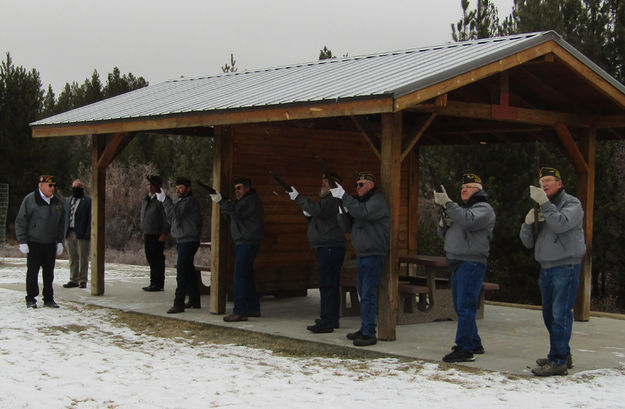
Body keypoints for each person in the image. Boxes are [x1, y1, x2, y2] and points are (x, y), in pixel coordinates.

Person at [520, 166, 586, 376]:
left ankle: (558, 361)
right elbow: (528, 242)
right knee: (549, 315)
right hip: (546, 267)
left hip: (565, 267)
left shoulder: (572, 204)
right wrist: (527, 224)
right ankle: (562, 353)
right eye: (542, 181)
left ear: (560, 183)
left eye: (549, 180)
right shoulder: (541, 206)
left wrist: (545, 204)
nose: (545, 184)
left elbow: (561, 224)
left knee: (560, 315)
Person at [434, 173, 496, 363]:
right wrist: (444, 222)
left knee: (465, 306)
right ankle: (474, 342)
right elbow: (445, 234)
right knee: (461, 305)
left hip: (471, 263)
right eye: (462, 187)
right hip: (457, 262)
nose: (464, 189)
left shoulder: (483, 209)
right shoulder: (461, 211)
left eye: (469, 187)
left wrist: (449, 204)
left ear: (479, 190)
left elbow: (468, 221)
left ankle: (465, 348)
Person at [331, 171, 389, 346]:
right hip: (363, 254)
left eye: (361, 184)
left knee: (368, 293)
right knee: (363, 292)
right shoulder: (360, 203)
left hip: (373, 253)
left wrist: (345, 197)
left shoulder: (376, 202)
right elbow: (347, 226)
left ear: (371, 185)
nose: (358, 187)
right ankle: (365, 327)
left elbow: (363, 213)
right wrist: (342, 208)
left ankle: (369, 332)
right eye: (356, 185)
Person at [288, 172, 346, 333]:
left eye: (326, 181)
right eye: (323, 180)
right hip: (328, 246)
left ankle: (328, 320)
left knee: (327, 285)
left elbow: (317, 210)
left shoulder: (332, 200)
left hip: (330, 247)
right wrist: (309, 215)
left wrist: (298, 197)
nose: (323, 183)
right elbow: (319, 217)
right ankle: (330, 318)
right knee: (329, 285)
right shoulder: (329, 201)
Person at [210, 177, 264, 322]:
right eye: (235, 189)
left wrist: (221, 201)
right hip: (244, 242)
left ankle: (240, 311)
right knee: (247, 276)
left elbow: (235, 212)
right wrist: (225, 204)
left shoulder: (250, 201)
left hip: (247, 242)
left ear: (247, 188)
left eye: (239, 188)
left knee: (239, 276)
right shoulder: (243, 202)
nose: (237, 191)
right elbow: (230, 214)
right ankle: (253, 308)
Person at [15, 175, 65, 308]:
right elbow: (21, 221)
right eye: (50, 185)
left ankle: (48, 298)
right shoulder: (30, 200)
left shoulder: (57, 202)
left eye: (54, 185)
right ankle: (31, 298)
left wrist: (60, 241)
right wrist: (23, 240)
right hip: (34, 243)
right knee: (33, 271)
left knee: (49, 273)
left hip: (50, 243)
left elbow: (61, 223)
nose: (52, 188)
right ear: (41, 185)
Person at [156, 177, 202, 314]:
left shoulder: (189, 202)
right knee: (188, 271)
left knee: (182, 272)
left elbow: (175, 214)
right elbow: (172, 218)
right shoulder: (182, 202)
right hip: (183, 240)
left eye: (181, 188)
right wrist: (166, 202)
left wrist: (165, 200)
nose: (178, 191)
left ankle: (179, 303)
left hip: (188, 240)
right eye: (176, 189)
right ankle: (194, 299)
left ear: (188, 188)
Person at [141, 175, 170, 292]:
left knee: (157, 258)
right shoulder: (146, 199)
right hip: (148, 232)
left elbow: (167, 218)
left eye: (153, 185)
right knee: (150, 258)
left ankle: (158, 283)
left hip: (157, 234)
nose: (151, 187)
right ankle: (153, 282)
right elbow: (144, 216)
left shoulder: (161, 200)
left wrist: (164, 233)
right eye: (150, 185)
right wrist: (144, 231)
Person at [62, 179, 92, 289]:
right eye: (74, 187)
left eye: (78, 187)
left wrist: (87, 232)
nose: (75, 190)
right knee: (72, 257)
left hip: (82, 233)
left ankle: (83, 280)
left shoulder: (88, 201)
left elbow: (90, 218)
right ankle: (73, 279)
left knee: (83, 257)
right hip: (69, 232)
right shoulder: (68, 200)